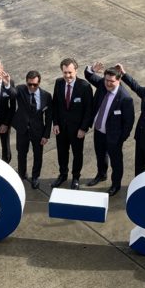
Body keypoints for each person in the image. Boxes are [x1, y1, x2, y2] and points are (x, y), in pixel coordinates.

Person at [84, 63, 134, 197]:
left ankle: (115, 185)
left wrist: (121, 138)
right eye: (106, 80)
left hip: (114, 136)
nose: (108, 83)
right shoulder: (102, 85)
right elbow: (89, 76)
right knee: (100, 155)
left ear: (118, 80)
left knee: (116, 162)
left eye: (112, 81)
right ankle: (101, 175)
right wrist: (92, 70)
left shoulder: (125, 98)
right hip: (99, 131)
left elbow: (129, 122)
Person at [51, 58, 95, 190]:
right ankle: (63, 174)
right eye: (65, 73)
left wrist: (83, 128)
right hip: (61, 128)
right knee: (62, 152)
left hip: (77, 130)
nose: (67, 76)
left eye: (70, 72)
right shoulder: (59, 83)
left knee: (77, 153)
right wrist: (55, 123)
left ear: (76, 70)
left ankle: (76, 177)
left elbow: (89, 110)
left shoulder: (84, 87)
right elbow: (55, 105)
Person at [12, 70, 53, 189]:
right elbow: (12, 93)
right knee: (21, 153)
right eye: (29, 84)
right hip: (22, 130)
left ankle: (35, 177)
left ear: (39, 83)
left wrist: (46, 135)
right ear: (26, 82)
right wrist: (7, 84)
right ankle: (22, 174)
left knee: (38, 155)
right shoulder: (20, 90)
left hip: (38, 131)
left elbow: (49, 117)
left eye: (35, 84)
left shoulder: (46, 96)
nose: (32, 87)